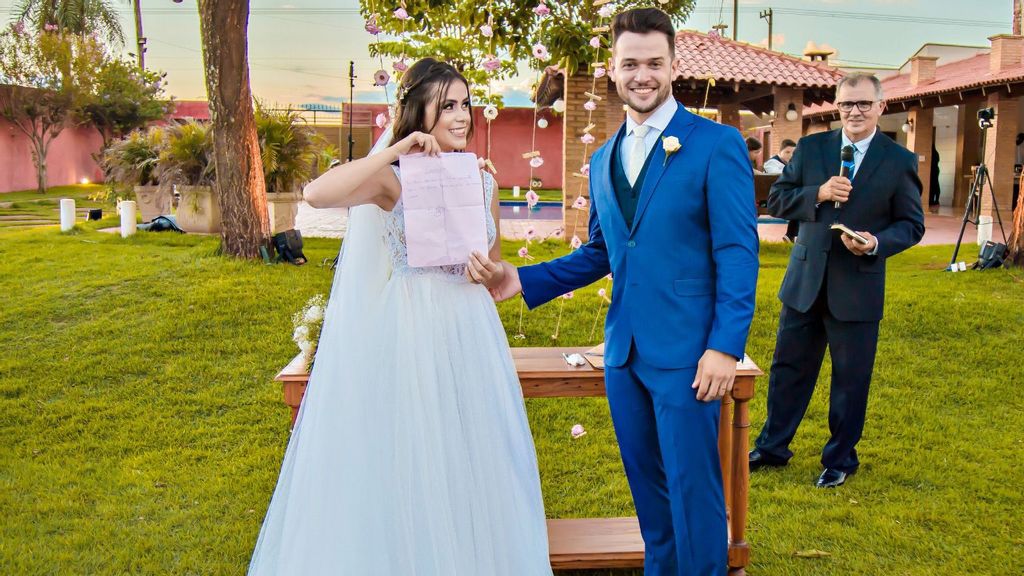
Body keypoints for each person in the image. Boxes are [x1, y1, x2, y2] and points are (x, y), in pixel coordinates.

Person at [469, 8, 758, 575]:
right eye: (631, 63)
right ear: (613, 68)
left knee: (695, 498)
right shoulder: (603, 159)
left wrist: (725, 345)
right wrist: (519, 280)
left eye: (654, 63)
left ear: (674, 65)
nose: (642, 74)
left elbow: (737, 253)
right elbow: (602, 252)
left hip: (691, 358)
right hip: (624, 356)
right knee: (651, 501)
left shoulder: (715, 145)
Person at [247, 58, 553, 575]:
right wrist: (394, 149)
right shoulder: (392, 181)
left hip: (469, 325)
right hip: (412, 324)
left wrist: (489, 271)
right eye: (447, 106)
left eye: (465, 105)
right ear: (418, 113)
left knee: (471, 451)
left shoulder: (481, 182)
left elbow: (496, 263)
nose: (461, 117)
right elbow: (317, 193)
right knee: (413, 449)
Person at [749, 73, 925, 488]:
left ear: (881, 107)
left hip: (858, 286)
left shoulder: (899, 161)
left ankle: (840, 459)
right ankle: (773, 447)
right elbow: (775, 200)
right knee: (788, 369)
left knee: (851, 377)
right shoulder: (812, 149)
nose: (855, 112)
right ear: (836, 107)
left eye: (863, 104)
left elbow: (911, 225)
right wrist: (819, 193)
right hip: (805, 281)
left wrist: (878, 242)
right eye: (847, 104)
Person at [764, 139, 799, 241]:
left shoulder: (791, 165)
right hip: (772, 198)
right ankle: (791, 235)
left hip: (784, 196)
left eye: (794, 152)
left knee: (801, 201)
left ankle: (790, 235)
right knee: (800, 202)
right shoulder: (771, 163)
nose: (791, 155)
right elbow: (779, 175)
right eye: (787, 152)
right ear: (779, 152)